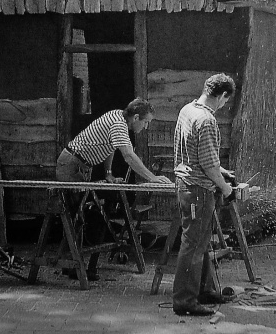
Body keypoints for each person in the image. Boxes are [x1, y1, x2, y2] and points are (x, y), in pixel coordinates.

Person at [56, 98, 171, 280]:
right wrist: (153, 178)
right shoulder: (118, 124)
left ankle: (76, 265)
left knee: (82, 216)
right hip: (71, 165)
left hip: (81, 166)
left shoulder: (118, 117)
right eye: (146, 122)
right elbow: (128, 156)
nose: (146, 127)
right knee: (76, 216)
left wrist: (108, 173)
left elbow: (111, 146)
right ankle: (73, 266)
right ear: (135, 118)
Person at [172, 74, 236, 316]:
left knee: (200, 241)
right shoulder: (207, 120)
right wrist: (226, 188)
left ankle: (204, 290)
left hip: (187, 185)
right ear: (221, 96)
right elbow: (208, 166)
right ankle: (184, 301)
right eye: (224, 101)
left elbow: (196, 153)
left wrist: (222, 172)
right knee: (193, 244)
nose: (223, 106)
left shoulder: (187, 110)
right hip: (197, 190)